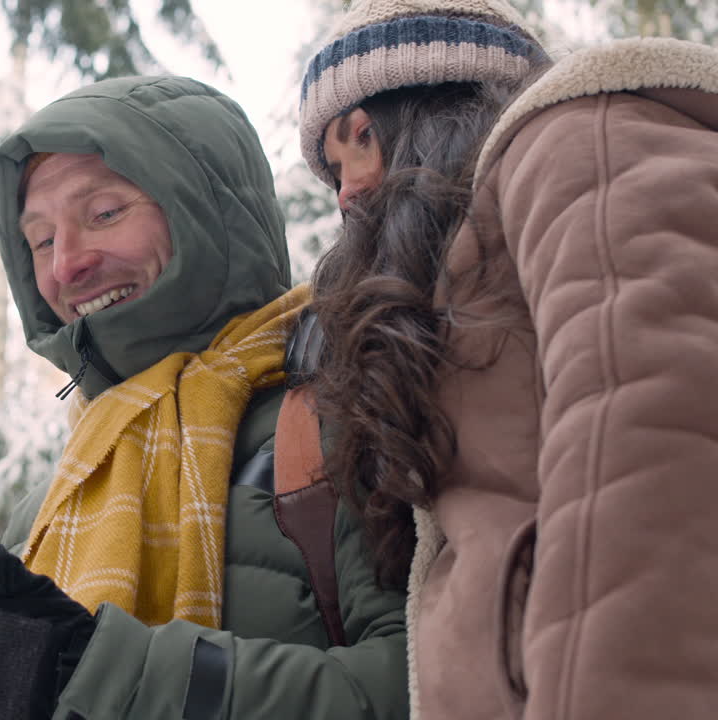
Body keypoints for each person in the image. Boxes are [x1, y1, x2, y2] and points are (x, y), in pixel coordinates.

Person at [0, 76, 409, 720]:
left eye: (104, 214)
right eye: (42, 240)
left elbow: (431, 687)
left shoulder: (353, 412)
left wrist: (93, 671)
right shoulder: (51, 505)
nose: (64, 267)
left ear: (208, 210)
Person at [297, 0, 718, 718]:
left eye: (360, 139)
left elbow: (665, 456)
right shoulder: (465, 279)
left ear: (436, 105)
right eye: (331, 173)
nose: (346, 192)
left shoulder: (584, 138)